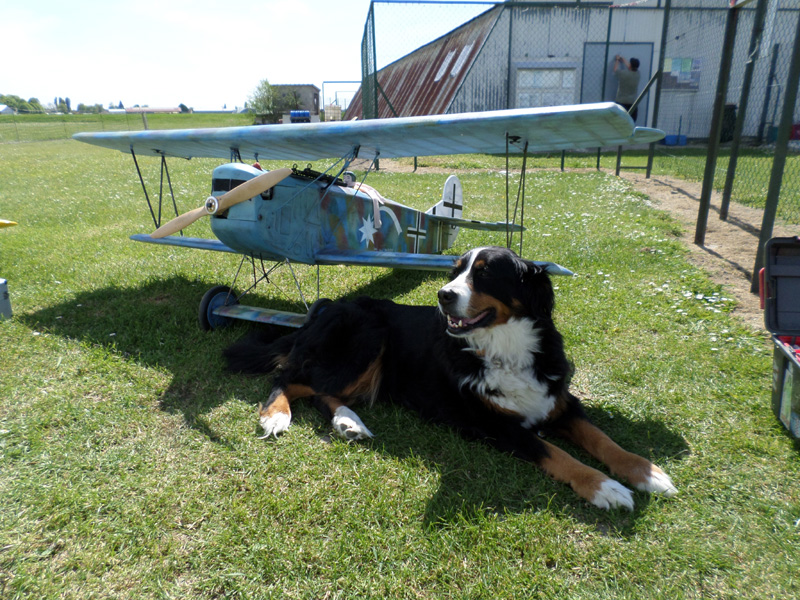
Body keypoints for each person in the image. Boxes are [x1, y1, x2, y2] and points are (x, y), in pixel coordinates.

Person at [614, 55, 641, 121]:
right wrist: (623, 60)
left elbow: (615, 70)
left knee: (619, 122)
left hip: (621, 102)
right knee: (631, 122)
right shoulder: (638, 74)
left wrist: (617, 60)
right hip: (632, 104)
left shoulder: (623, 74)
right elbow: (631, 67)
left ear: (630, 65)